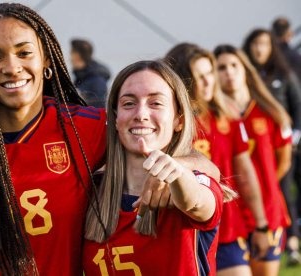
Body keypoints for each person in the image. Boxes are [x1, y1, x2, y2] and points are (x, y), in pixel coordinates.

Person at [0, 3, 219, 275]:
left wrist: (174, 168)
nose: (12, 67)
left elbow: (206, 167)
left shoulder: (87, 129)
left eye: (24, 53)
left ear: (47, 60)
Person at [83, 60, 229, 275]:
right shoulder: (90, 190)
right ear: (115, 118)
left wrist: (177, 174)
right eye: (129, 103)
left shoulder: (193, 180)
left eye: (156, 103)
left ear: (179, 119)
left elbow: (198, 201)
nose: (140, 114)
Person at [165, 43, 270, 275]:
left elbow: (246, 173)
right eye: (198, 76)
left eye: (210, 73)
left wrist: (261, 225)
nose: (208, 81)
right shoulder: (171, 124)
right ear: (184, 80)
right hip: (185, 232)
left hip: (227, 231)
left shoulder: (227, 116)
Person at [214, 44, 292, 276]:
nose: (228, 72)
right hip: (229, 217)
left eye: (234, 66)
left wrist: (258, 188)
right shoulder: (215, 118)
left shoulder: (271, 112)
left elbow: (284, 162)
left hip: (268, 211)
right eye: (221, 68)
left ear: (245, 70)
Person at [243, 28, 301, 266]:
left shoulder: (283, 74)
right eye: (255, 44)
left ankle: (292, 243)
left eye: (264, 44)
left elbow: (296, 105)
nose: (259, 49)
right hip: (249, 151)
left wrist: (294, 135)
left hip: (278, 148)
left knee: (283, 192)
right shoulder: (243, 76)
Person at [70, 39, 110, 108]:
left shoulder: (97, 81)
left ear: (77, 55)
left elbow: (99, 110)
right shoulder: (81, 78)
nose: (70, 58)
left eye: (71, 53)